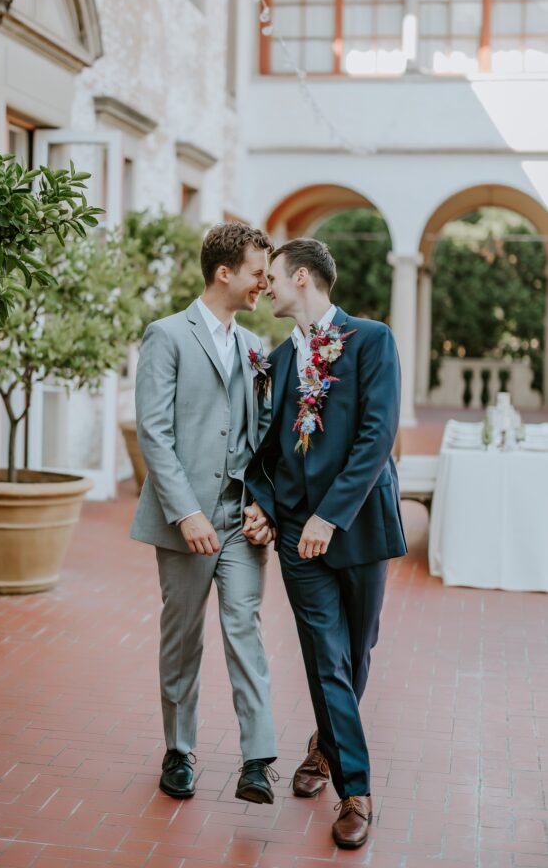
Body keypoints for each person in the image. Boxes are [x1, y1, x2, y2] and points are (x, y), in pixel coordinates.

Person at [244, 237, 407, 849]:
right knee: (326, 655)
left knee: (357, 651)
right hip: (298, 541)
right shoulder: (278, 361)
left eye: (275, 278)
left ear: (305, 279)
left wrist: (330, 517)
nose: (267, 288)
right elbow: (267, 452)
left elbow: (376, 436)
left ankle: (323, 744)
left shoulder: (371, 340)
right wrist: (264, 507)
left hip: (358, 529)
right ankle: (356, 791)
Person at [131, 222, 278, 804]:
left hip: (240, 520)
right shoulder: (166, 336)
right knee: (182, 634)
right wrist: (186, 513)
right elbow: (154, 432)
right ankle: (179, 750)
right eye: (258, 273)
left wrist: (264, 503)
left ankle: (258, 760)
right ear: (226, 272)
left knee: (246, 628)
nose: (264, 284)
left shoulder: (255, 348)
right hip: (184, 521)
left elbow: (264, 434)